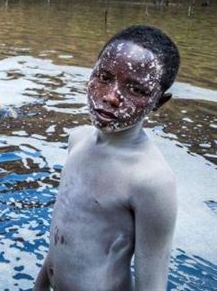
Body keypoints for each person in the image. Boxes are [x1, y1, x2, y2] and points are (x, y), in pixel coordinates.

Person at [34, 25, 180, 291]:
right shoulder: (77, 141)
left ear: (159, 102)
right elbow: (62, 237)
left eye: (136, 89)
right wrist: (41, 284)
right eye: (103, 76)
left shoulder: (151, 181)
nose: (112, 96)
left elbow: (152, 283)